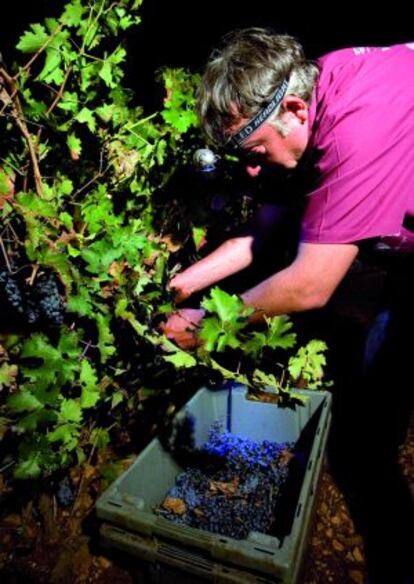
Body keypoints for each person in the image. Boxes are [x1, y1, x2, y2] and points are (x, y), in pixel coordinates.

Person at [163, 28, 414, 583]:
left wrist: (206, 327)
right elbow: (263, 231)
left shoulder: (358, 134)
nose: (251, 172)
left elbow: (308, 286)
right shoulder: (309, 87)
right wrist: (183, 286)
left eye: (254, 154)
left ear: (295, 109)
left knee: (371, 426)